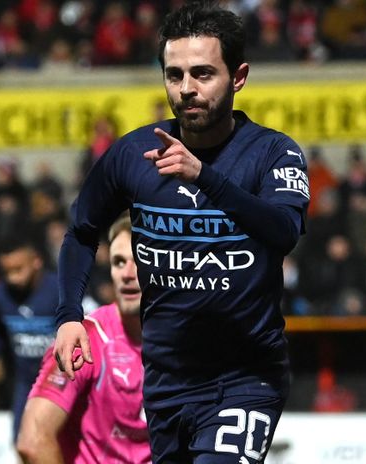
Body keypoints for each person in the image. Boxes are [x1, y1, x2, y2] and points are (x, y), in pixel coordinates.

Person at [51, 3, 309, 462]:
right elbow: (80, 232)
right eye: (174, 75)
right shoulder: (132, 154)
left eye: (203, 74)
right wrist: (69, 314)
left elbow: (284, 229)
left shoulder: (273, 153)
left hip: (245, 377)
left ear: (239, 76)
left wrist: (205, 178)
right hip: (167, 378)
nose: (186, 89)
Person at [17, 215, 150, 463]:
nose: (127, 274)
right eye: (119, 262)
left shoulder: (186, 340)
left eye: (139, 261)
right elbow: (33, 441)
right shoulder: (85, 339)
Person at [0, 237, 59, 439]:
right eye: (7, 271)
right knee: (21, 442)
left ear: (36, 261)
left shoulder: (60, 291)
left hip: (61, 382)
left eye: (18, 270)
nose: (12, 278)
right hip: (25, 382)